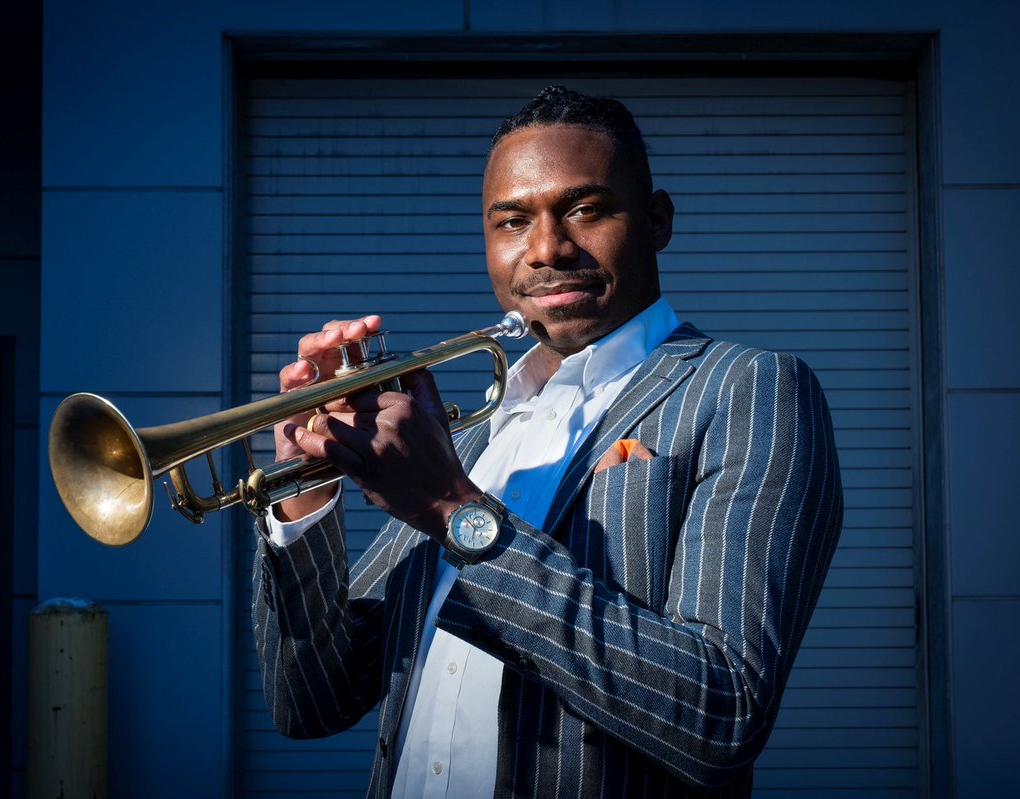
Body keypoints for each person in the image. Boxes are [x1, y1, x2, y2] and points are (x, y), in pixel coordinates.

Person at [251, 85, 843, 799]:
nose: (546, 250)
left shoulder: (748, 387)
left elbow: (722, 716)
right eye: (511, 222)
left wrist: (452, 509)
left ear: (656, 221)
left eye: (586, 210)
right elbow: (311, 702)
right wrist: (303, 492)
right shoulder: (470, 432)